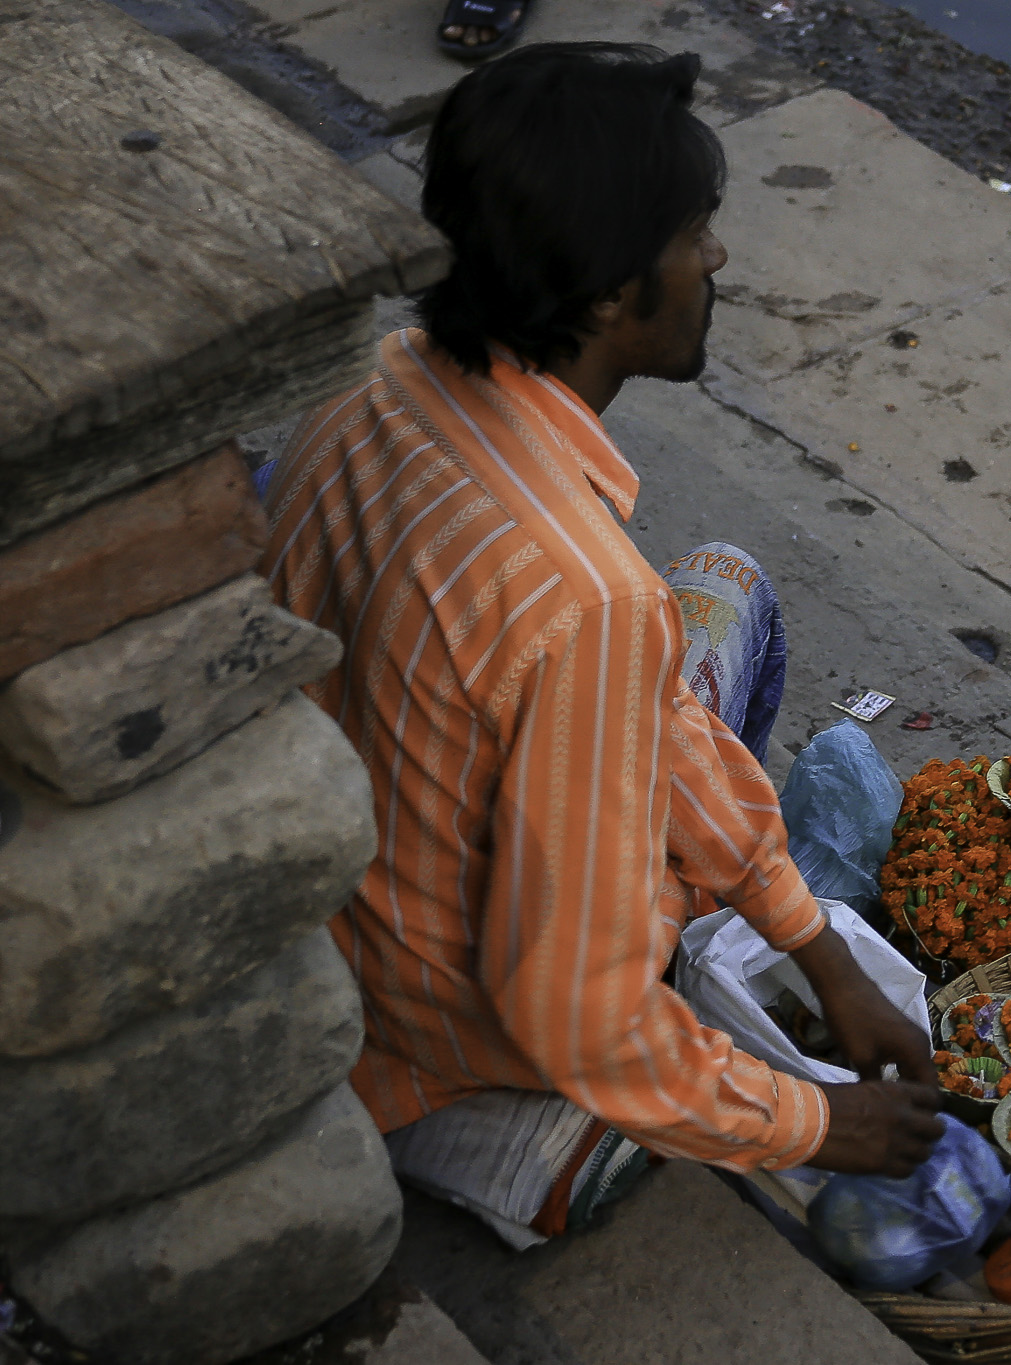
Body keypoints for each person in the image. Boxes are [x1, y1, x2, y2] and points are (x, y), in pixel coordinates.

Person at [258, 43, 941, 1248]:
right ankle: (482, 1128)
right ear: (609, 294)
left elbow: (658, 722)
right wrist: (814, 1125)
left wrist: (812, 943)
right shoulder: (588, 603)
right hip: (438, 1009)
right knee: (720, 600)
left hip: (326, 908)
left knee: (709, 600)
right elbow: (570, 1010)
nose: (715, 260)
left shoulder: (375, 381)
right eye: (694, 235)